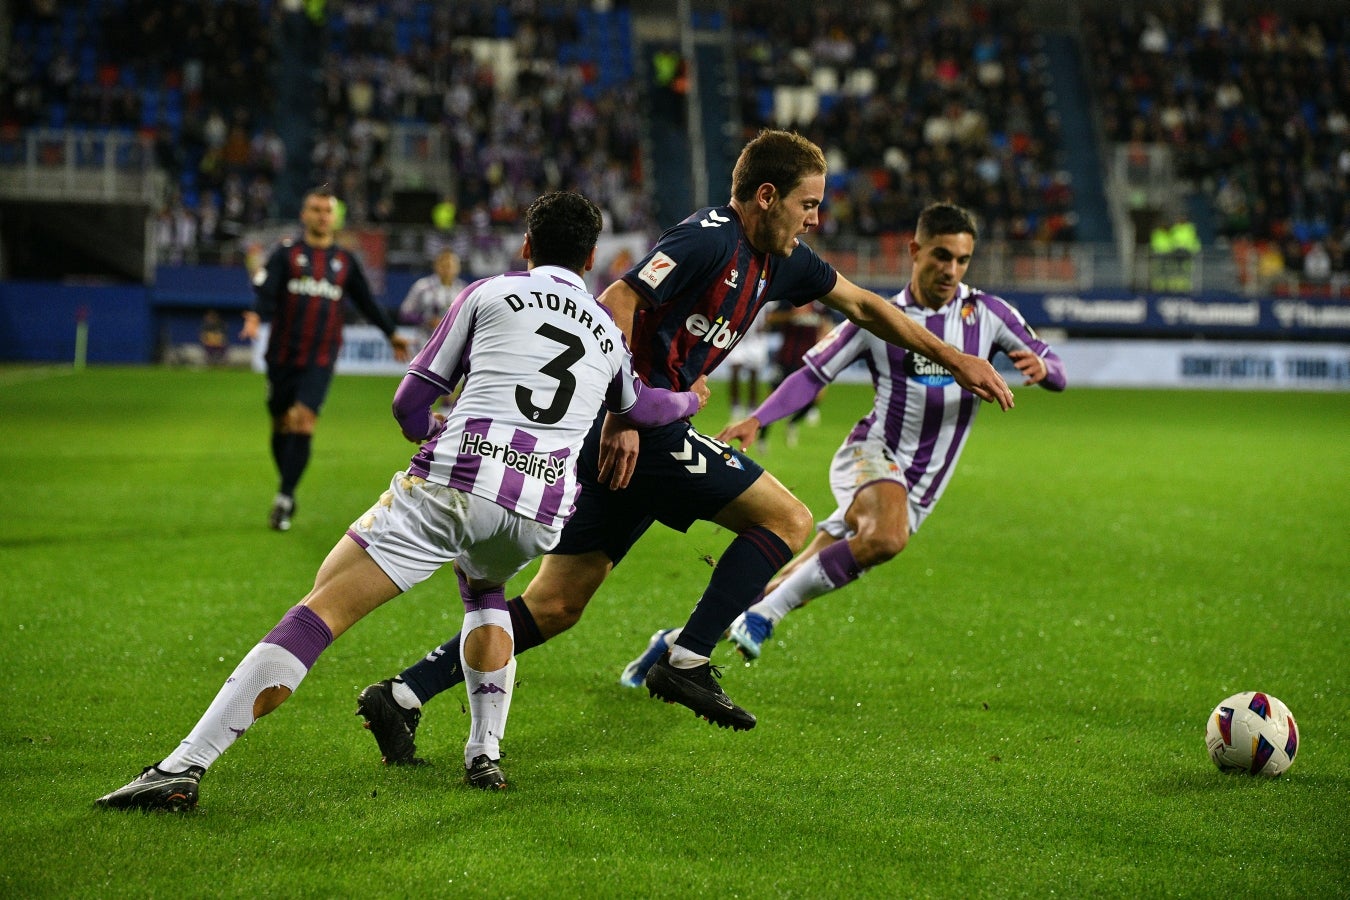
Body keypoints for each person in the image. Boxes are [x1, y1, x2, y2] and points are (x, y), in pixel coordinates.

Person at [352, 130, 1014, 762]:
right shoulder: (707, 239)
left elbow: (867, 307)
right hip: (644, 430)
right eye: (807, 203)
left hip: (639, 441)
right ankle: (687, 658)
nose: (815, 218)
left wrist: (953, 357)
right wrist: (621, 413)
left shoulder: (782, 261)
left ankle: (401, 694)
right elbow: (617, 298)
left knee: (557, 605)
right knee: (787, 520)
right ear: (766, 197)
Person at [94, 191, 709, 810]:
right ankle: (484, 753)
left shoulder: (489, 293)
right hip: (538, 509)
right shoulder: (605, 329)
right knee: (487, 591)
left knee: (321, 608)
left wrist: (435, 430)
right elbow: (646, 409)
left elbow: (409, 405)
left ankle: (183, 766)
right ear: (592, 257)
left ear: (526, 245)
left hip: (458, 485)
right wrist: (692, 400)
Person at [621, 202, 1066, 675]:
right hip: (871, 456)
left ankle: (672, 644)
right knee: (886, 538)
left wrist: (1046, 371)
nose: (950, 269)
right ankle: (764, 617)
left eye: (961, 260)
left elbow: (1051, 362)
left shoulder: (989, 315)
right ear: (915, 250)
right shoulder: (882, 320)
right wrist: (759, 419)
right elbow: (811, 375)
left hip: (924, 483)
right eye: (941, 256)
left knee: (793, 579)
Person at [240, 186, 412, 532]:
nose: (321, 216)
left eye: (327, 210)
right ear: (305, 214)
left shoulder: (345, 261)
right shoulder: (286, 254)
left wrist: (390, 331)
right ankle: (287, 484)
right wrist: (256, 316)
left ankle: (284, 498)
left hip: (321, 355)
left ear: (335, 217)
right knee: (281, 424)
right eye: (315, 209)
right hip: (282, 355)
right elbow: (268, 291)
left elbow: (366, 301)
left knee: (302, 421)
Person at [399, 248, 467, 346]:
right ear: (436, 266)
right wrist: (426, 320)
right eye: (443, 265)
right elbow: (404, 313)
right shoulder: (422, 286)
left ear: (458, 268)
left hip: (453, 346)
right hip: (425, 343)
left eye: (450, 265)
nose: (447, 269)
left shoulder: (464, 290)